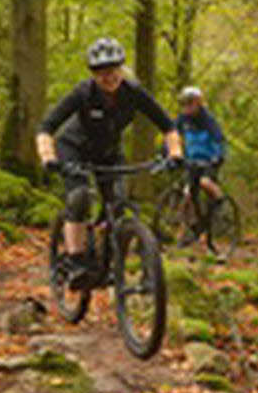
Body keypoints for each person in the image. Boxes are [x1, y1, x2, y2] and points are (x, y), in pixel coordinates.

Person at [35, 37, 182, 277]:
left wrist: (175, 154)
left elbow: (168, 125)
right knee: (80, 197)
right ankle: (75, 259)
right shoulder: (83, 93)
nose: (109, 77)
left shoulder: (133, 92)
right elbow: (46, 127)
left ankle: (110, 261)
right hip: (74, 150)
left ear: (121, 69)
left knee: (117, 205)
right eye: (101, 72)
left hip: (109, 153)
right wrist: (48, 157)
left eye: (113, 70)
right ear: (93, 74)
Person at [173, 85, 227, 246]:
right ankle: (192, 228)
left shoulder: (208, 120)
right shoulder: (182, 119)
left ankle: (220, 203)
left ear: (198, 103)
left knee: (205, 182)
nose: (187, 107)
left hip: (209, 160)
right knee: (187, 194)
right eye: (184, 103)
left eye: (190, 103)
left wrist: (218, 156)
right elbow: (173, 135)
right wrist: (167, 153)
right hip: (192, 161)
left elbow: (219, 139)